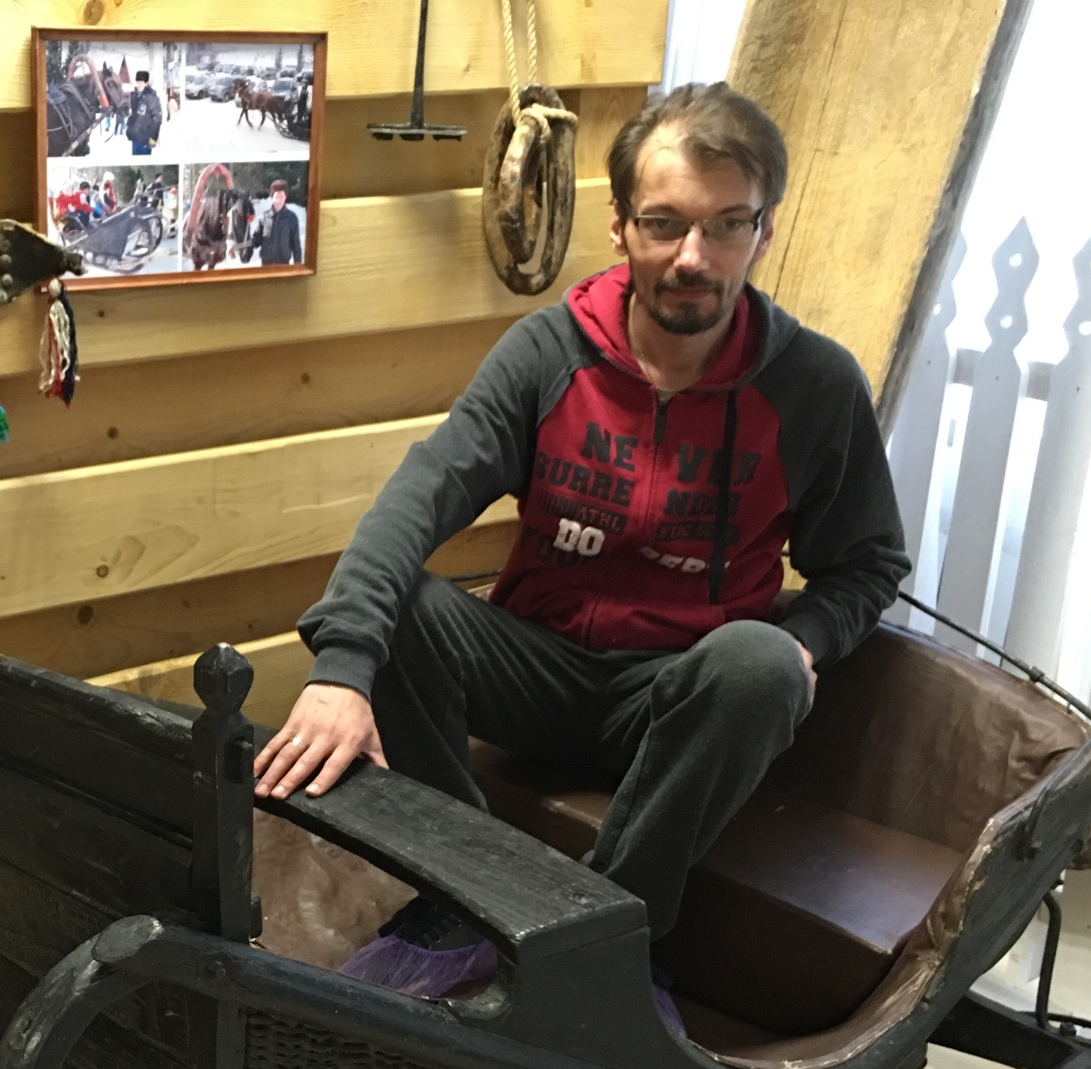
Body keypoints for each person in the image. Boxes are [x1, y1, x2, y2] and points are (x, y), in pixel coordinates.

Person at [252, 82, 908, 1007]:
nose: (693, 257)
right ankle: (463, 893)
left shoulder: (815, 384)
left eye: (725, 226)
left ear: (763, 232)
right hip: (537, 669)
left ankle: (603, 934)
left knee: (761, 663)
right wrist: (341, 669)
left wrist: (807, 641)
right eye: (663, 224)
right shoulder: (546, 353)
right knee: (399, 605)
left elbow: (868, 564)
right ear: (619, 226)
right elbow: (417, 499)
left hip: (676, 697)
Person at [256, 180, 303, 265]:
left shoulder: (291, 218)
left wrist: (298, 266)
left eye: (281, 196)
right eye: (276, 196)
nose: (279, 200)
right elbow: (256, 240)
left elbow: (296, 245)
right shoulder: (264, 217)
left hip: (283, 263)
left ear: (285, 197)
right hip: (266, 264)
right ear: (272, 197)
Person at [125, 69, 163, 156]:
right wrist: (129, 129)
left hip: (145, 140)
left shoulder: (152, 98)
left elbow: (157, 121)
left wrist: (153, 140)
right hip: (135, 138)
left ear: (146, 83)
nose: (139, 84)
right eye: (138, 82)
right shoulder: (135, 97)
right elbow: (133, 116)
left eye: (141, 82)